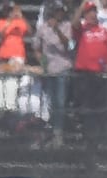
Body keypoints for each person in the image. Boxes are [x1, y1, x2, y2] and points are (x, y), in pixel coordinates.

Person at [71, 1, 107, 132]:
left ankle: (103, 138)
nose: (92, 14)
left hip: (101, 75)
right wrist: (82, 5)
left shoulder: (105, 31)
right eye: (89, 12)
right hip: (85, 75)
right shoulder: (81, 30)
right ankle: (89, 140)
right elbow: (74, 23)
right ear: (84, 15)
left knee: (103, 108)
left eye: (94, 11)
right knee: (87, 109)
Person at [32, 1, 73, 142]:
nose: (59, 14)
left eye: (61, 11)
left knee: (60, 102)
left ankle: (58, 131)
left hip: (63, 68)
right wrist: (42, 62)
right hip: (49, 70)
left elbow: (70, 45)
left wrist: (57, 30)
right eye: (57, 11)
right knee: (49, 102)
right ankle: (49, 128)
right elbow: (36, 47)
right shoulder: (43, 28)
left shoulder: (67, 26)